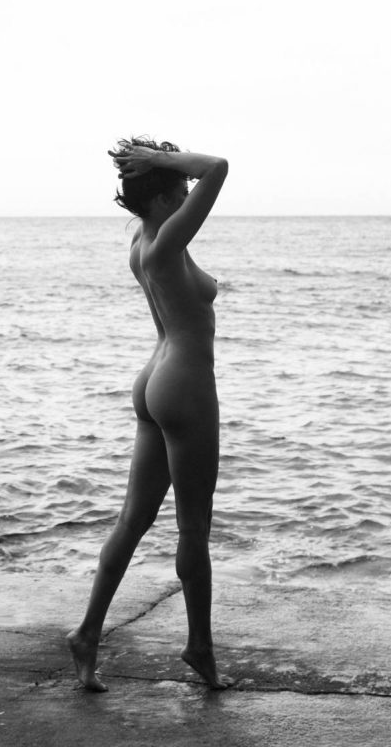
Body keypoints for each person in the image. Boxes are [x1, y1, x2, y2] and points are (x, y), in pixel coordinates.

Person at [67, 137, 233, 691]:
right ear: (162, 198)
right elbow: (217, 168)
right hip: (184, 383)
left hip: (153, 379)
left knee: (133, 520)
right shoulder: (165, 242)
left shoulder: (142, 239)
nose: (188, 195)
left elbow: (194, 180)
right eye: (179, 190)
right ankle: (200, 647)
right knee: (194, 527)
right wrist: (161, 161)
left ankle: (87, 635)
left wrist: (154, 165)